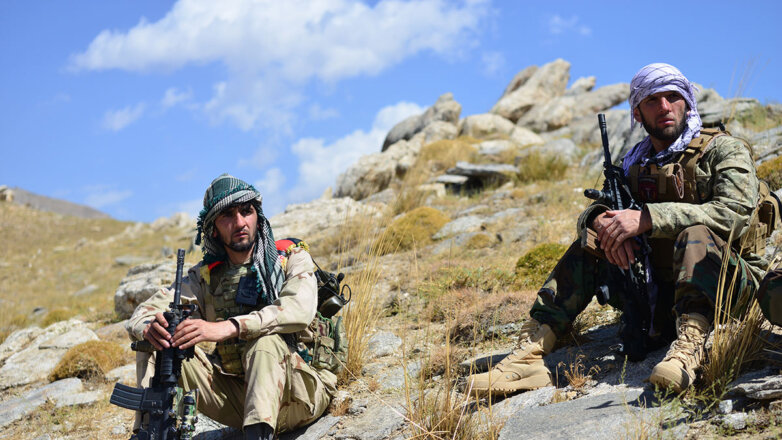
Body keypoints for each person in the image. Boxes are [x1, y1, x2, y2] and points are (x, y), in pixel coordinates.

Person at [468, 63, 771, 395]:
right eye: (652, 101)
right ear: (638, 113)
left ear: (687, 101)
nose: (665, 108)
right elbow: (594, 211)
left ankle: (689, 351)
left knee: (695, 233)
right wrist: (599, 221)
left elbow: (734, 214)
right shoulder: (635, 164)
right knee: (595, 238)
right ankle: (532, 353)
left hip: (732, 289)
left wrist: (647, 218)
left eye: (673, 97)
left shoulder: (724, 150)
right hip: (659, 294)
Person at [126, 174, 335, 440]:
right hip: (242, 401)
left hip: (301, 394)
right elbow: (141, 313)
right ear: (213, 228)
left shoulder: (290, 257)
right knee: (160, 341)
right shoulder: (205, 277)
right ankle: (149, 433)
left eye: (246, 212)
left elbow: (299, 310)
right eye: (227, 215)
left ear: (257, 216)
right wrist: (149, 328)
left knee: (265, 343)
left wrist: (228, 327)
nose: (239, 222)